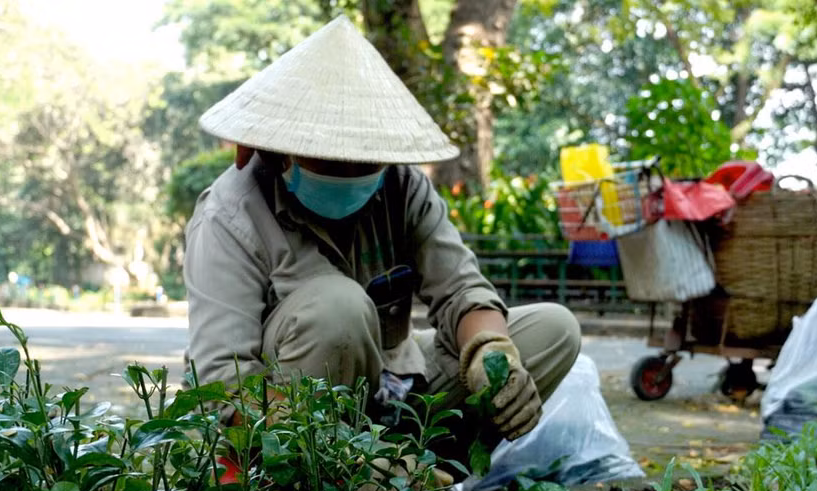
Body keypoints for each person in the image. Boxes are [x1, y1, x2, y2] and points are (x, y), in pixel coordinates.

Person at [184, 15, 580, 448]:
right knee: (337, 306)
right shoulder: (229, 215)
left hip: (392, 390)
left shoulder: (404, 186)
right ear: (280, 152)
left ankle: (422, 482)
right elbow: (223, 385)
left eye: (366, 157)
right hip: (289, 428)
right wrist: (350, 458)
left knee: (554, 331)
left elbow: (461, 289)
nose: (352, 170)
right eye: (330, 158)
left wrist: (490, 352)